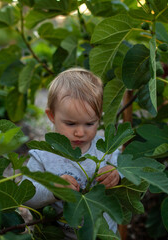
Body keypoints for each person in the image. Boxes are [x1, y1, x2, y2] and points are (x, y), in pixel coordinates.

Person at [23, 68, 121, 238]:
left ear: (99, 118)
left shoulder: (106, 148)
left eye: (90, 124)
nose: (80, 132)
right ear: (51, 116)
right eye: (70, 124)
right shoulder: (43, 155)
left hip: (103, 234)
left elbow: (125, 168)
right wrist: (53, 189)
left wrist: (116, 173)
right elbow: (26, 195)